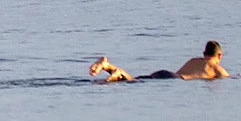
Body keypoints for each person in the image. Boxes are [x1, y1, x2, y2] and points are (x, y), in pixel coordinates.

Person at [87, 41, 227, 82]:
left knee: (133, 80)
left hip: (165, 73)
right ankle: (114, 71)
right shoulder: (215, 69)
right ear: (219, 56)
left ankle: (108, 66)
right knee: (132, 82)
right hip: (173, 80)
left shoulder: (194, 60)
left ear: (204, 53)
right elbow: (227, 78)